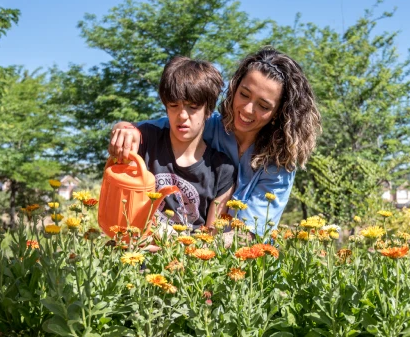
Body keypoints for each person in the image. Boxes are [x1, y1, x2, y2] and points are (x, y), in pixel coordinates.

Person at [110, 47, 321, 235]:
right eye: (244, 94)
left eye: (263, 106)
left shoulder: (279, 163)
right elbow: (157, 127)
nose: (247, 109)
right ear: (234, 88)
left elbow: (251, 234)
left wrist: (192, 247)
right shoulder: (209, 125)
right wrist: (125, 129)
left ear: (278, 113)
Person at [131, 56, 236, 231]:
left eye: (193, 107)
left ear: (208, 110)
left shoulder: (223, 170)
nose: (182, 116)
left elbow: (211, 239)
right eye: (173, 105)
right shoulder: (145, 141)